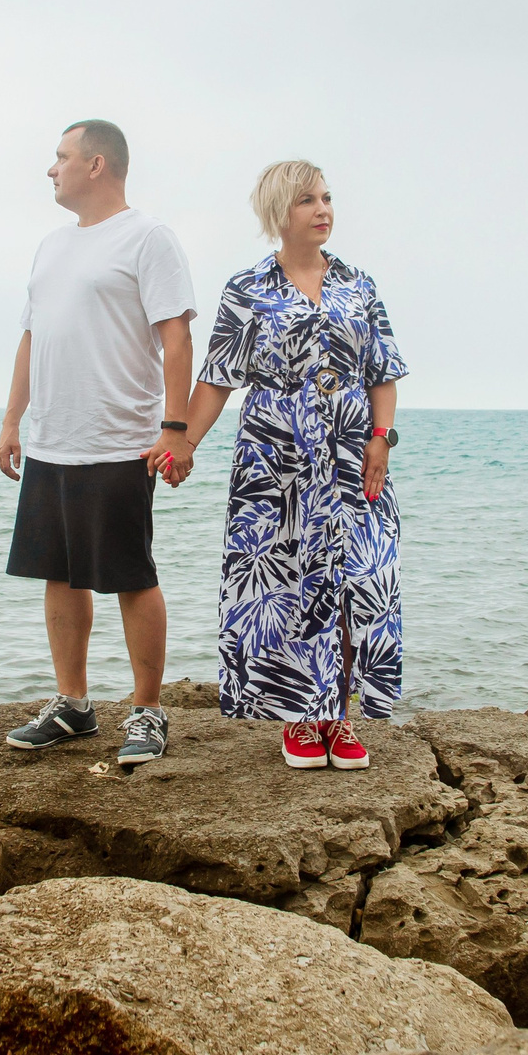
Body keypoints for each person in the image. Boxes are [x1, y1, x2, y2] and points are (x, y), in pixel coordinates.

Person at [164, 161, 407, 769]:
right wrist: (183, 443)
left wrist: (382, 438)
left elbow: (383, 371)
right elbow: (217, 380)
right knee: (282, 582)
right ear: (279, 213)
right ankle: (301, 714)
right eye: (307, 201)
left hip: (353, 451)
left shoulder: (360, 285)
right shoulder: (246, 291)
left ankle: (342, 716)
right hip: (275, 454)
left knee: (359, 580)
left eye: (326, 198)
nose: (322, 209)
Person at [0, 119, 197, 767]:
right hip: (53, 438)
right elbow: (32, 337)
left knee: (129, 576)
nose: (50, 169)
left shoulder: (148, 237)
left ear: (97, 164)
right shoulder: (50, 246)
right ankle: (74, 704)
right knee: (59, 572)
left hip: (120, 439)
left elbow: (176, 337)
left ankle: (147, 709)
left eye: (61, 157)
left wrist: (175, 427)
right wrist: (10, 421)